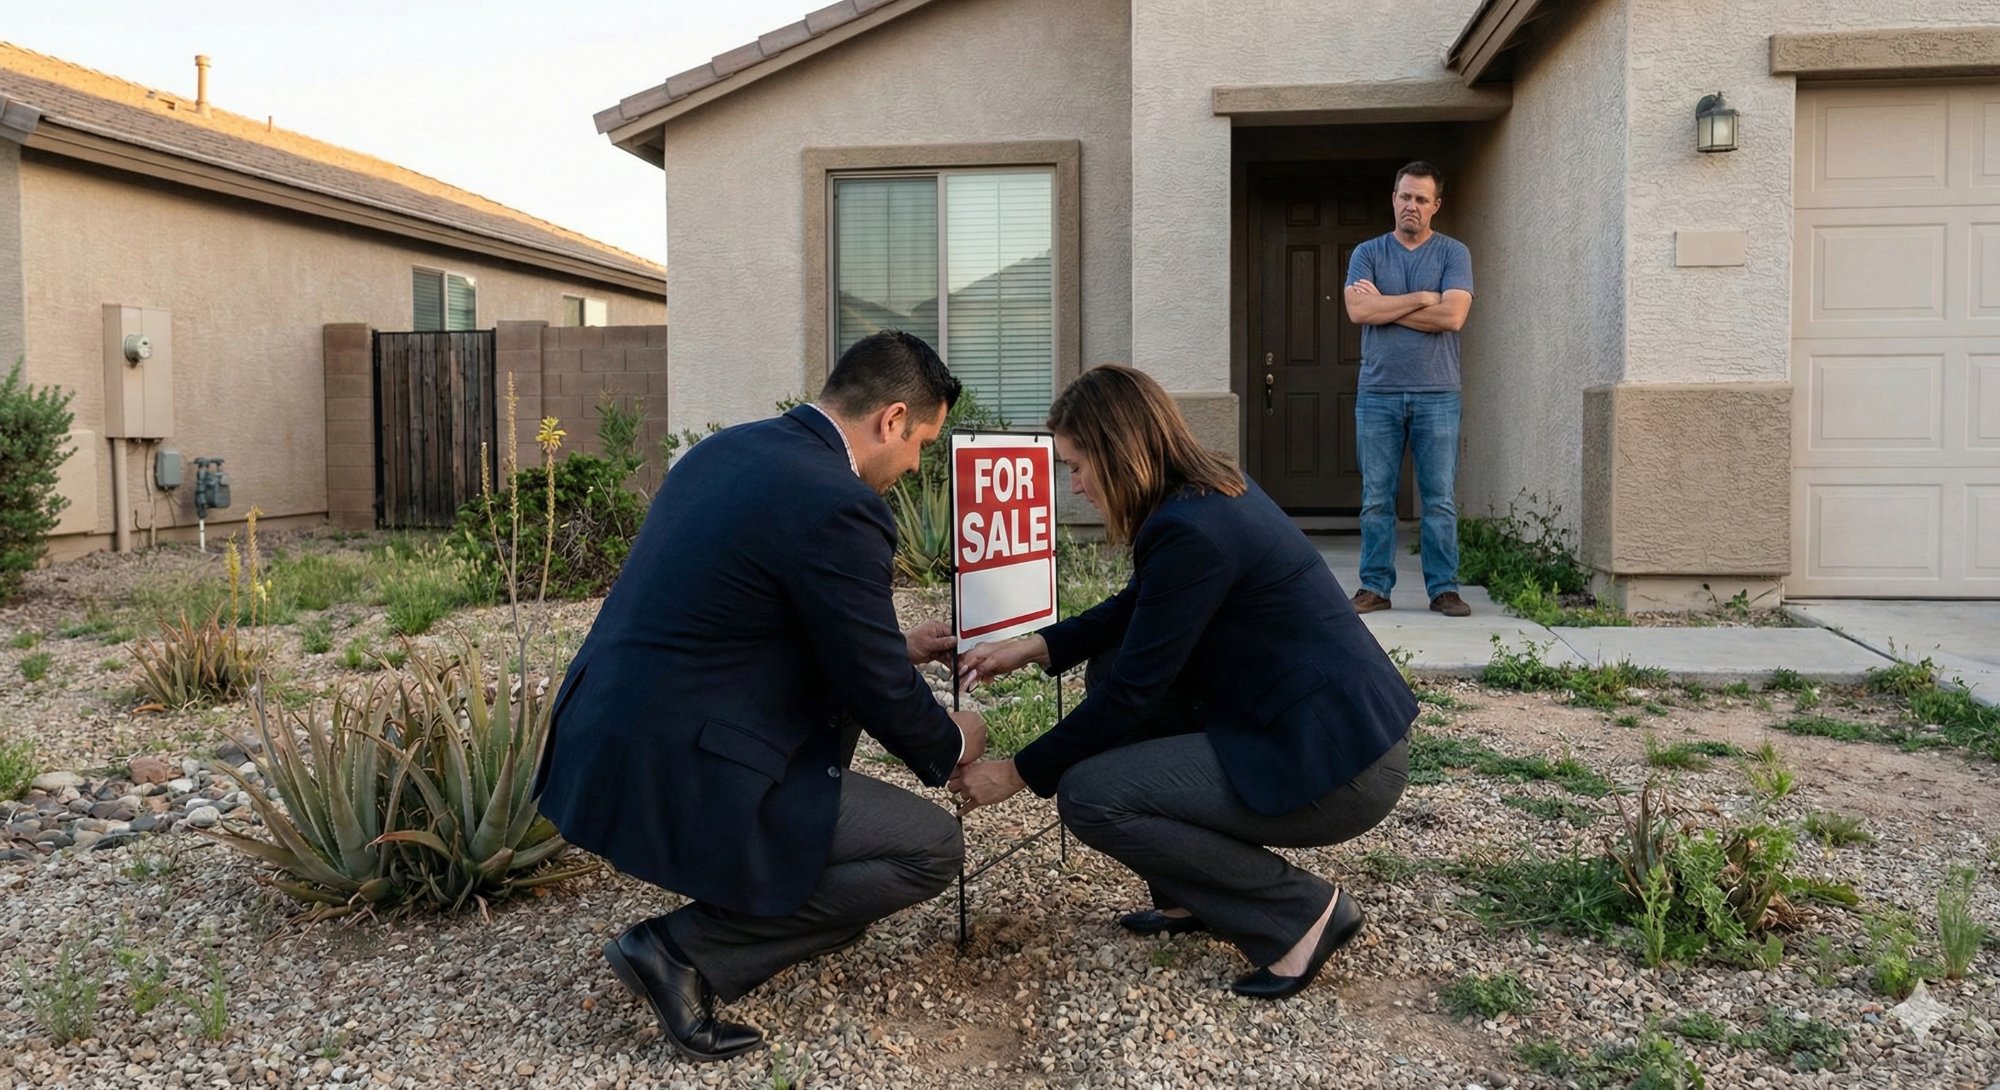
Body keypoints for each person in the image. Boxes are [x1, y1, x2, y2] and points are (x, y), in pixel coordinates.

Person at [532, 330, 987, 1063]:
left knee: (841, 895)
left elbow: (739, 604)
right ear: (892, 419)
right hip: (683, 758)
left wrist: (891, 644)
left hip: (606, 731)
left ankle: (744, 914)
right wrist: (958, 741)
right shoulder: (842, 502)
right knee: (929, 849)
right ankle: (677, 951)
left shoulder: (731, 450)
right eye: (922, 443)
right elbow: (873, 690)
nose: (912, 465)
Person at [949, 365, 1414, 1000]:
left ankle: (1301, 914)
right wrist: (1035, 646)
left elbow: (1131, 696)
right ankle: (1186, 900)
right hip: (1328, 730)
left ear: (1120, 454)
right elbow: (1140, 606)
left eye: (1077, 465)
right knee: (1111, 665)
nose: (1075, 485)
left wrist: (1017, 772)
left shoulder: (1191, 528)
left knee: (1090, 795)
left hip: (1342, 767)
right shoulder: (1205, 493)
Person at [1342, 160, 1476, 617]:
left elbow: (1454, 317)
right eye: (1404, 196)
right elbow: (1358, 313)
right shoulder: (1367, 252)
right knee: (1376, 498)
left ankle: (1444, 590)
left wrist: (1385, 305)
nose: (1411, 206)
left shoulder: (1454, 254)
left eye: (1421, 199)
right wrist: (1422, 298)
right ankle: (1375, 587)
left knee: (1439, 499)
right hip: (1377, 393)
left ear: (1436, 205)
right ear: (1393, 199)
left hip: (1438, 392)